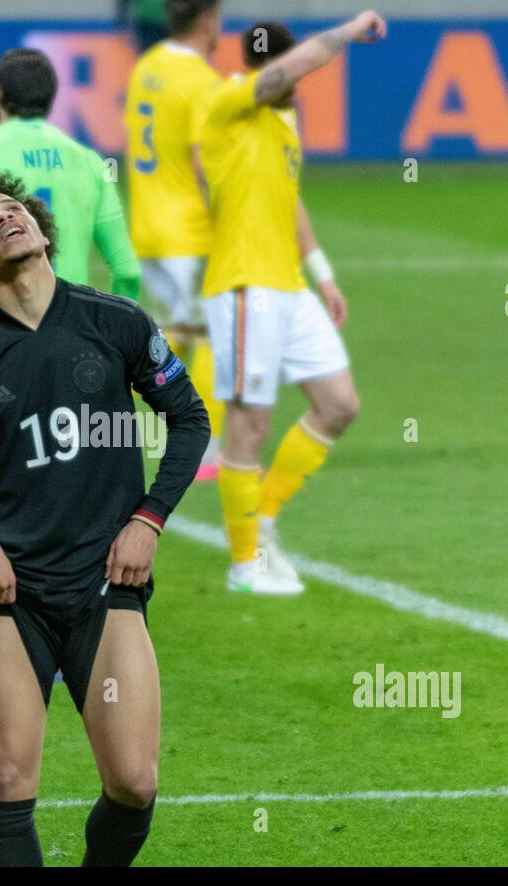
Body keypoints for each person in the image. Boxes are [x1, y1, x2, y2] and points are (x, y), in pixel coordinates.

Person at [0, 170, 209, 866]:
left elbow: (189, 418)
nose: (4, 219)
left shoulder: (115, 322)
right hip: (9, 593)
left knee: (135, 782)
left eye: (13, 210)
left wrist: (148, 519)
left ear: (41, 229)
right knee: (7, 777)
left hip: (104, 588)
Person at [0, 48, 141, 670]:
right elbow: (126, 267)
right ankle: (71, 625)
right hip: (71, 346)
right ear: (53, 98)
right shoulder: (90, 162)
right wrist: (116, 341)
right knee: (58, 472)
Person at [195, 12, 386, 595]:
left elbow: (290, 201)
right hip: (246, 287)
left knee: (339, 403)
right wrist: (349, 30)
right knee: (249, 424)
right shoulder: (231, 101)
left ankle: (267, 518)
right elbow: (291, 68)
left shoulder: (281, 126)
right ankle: (244, 565)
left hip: (288, 286)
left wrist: (322, 273)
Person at [123, 0, 226, 480]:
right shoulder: (202, 82)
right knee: (210, 337)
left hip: (147, 225)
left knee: (173, 337)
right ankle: (205, 449)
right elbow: (206, 161)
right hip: (188, 230)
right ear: (208, 21)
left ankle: (161, 435)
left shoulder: (147, 66)